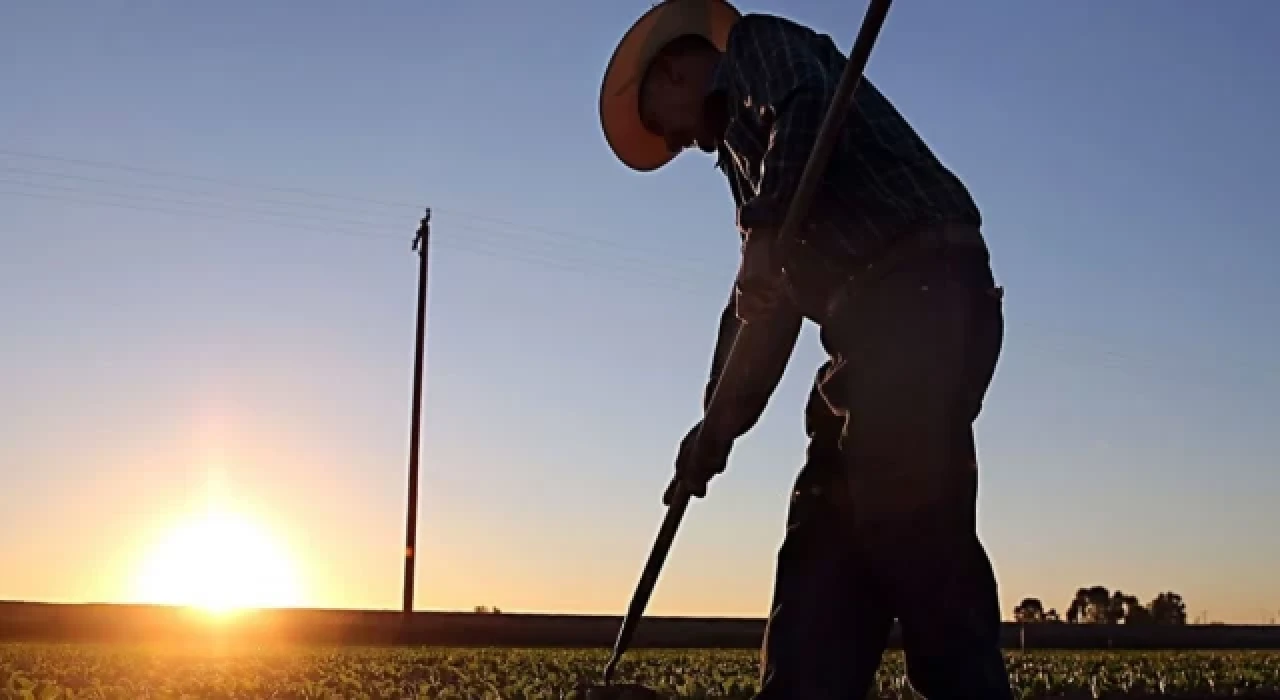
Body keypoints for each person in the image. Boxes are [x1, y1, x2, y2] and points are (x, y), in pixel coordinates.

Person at [599, 1, 1014, 698]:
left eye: (662, 128)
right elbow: (763, 313)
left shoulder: (761, 50)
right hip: (864, 339)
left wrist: (762, 238)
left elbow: (806, 101)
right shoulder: (746, 167)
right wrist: (714, 429)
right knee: (824, 538)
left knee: (907, 508)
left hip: (926, 289)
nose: (678, 144)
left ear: (672, 73)